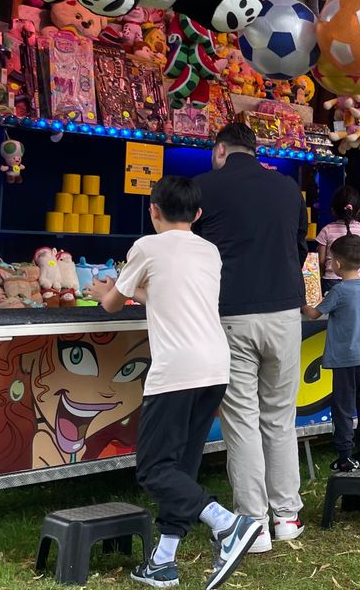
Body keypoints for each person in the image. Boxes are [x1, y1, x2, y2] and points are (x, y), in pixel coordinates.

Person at [91, 176, 263, 590]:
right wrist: (135, 291)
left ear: (152, 210)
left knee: (153, 468)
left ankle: (228, 524)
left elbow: (112, 304)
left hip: (176, 370)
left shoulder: (146, 247)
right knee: (180, 467)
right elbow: (170, 295)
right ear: (198, 214)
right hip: (215, 367)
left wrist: (103, 290)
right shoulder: (209, 251)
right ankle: (163, 561)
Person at [194, 123, 306, 552]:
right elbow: (299, 247)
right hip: (285, 313)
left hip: (231, 314)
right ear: (254, 150)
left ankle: (253, 524)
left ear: (220, 149)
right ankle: (287, 516)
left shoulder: (204, 187)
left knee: (241, 420)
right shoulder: (287, 188)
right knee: (279, 417)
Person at [301, 235, 360, 472]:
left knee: (343, 409)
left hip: (345, 361)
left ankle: (344, 456)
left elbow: (314, 314)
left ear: (336, 264)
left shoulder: (339, 291)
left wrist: (301, 301)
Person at [315, 186, 360, 294]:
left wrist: (320, 277)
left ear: (333, 210)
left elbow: (321, 261)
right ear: (358, 211)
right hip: (359, 280)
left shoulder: (326, 231)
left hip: (331, 281)